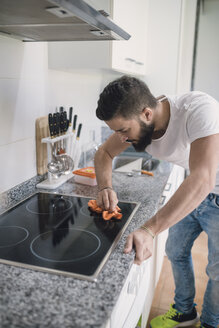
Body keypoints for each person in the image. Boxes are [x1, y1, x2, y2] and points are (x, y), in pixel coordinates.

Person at [94, 75, 219, 328]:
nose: (122, 138)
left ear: (147, 114)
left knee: (217, 272)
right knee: (175, 252)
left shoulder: (199, 109)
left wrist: (149, 229)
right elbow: (104, 153)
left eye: (124, 130)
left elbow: (204, 178)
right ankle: (185, 312)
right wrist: (105, 186)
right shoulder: (135, 120)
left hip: (209, 190)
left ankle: (211, 323)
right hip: (195, 191)